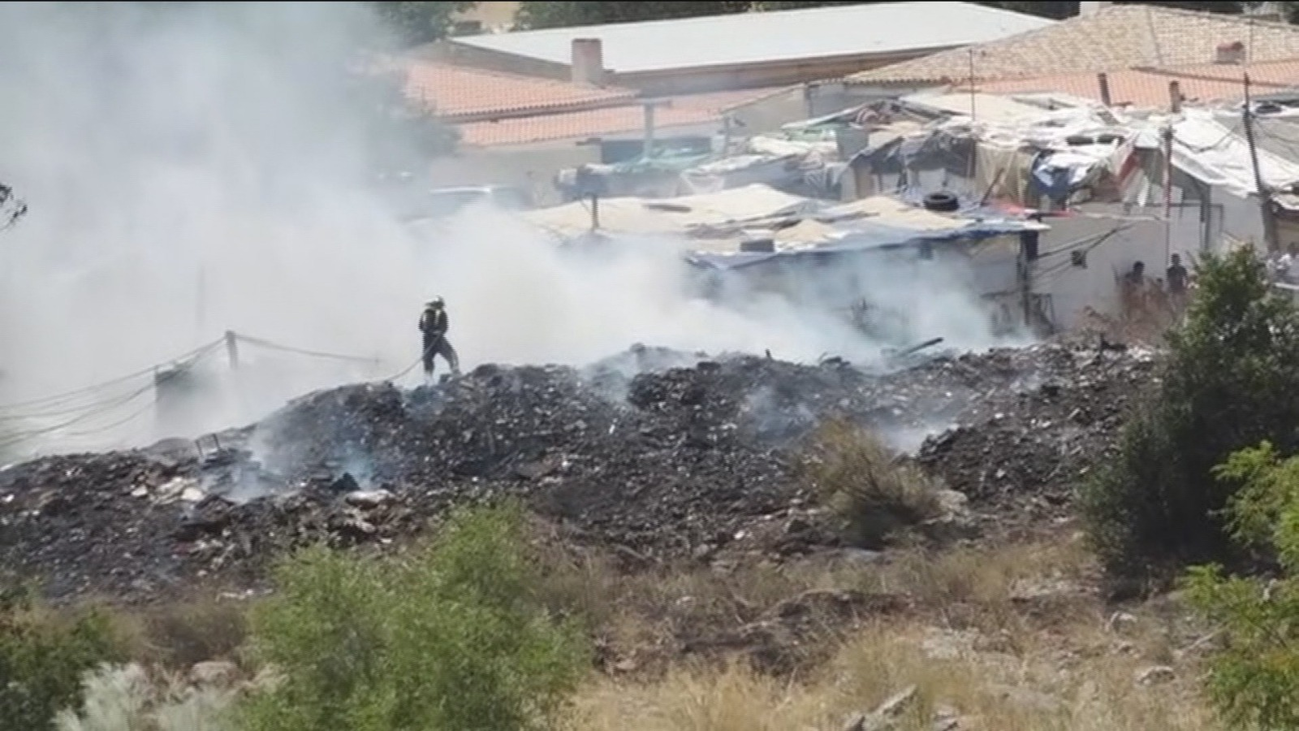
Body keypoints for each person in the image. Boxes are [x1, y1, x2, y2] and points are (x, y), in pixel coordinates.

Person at [418, 296, 460, 381]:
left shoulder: (431, 313)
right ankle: (428, 378)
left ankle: (455, 372)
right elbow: (424, 327)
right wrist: (434, 332)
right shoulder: (431, 313)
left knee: (450, 355)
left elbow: (444, 326)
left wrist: (439, 332)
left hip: (434, 339)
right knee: (429, 359)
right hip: (433, 340)